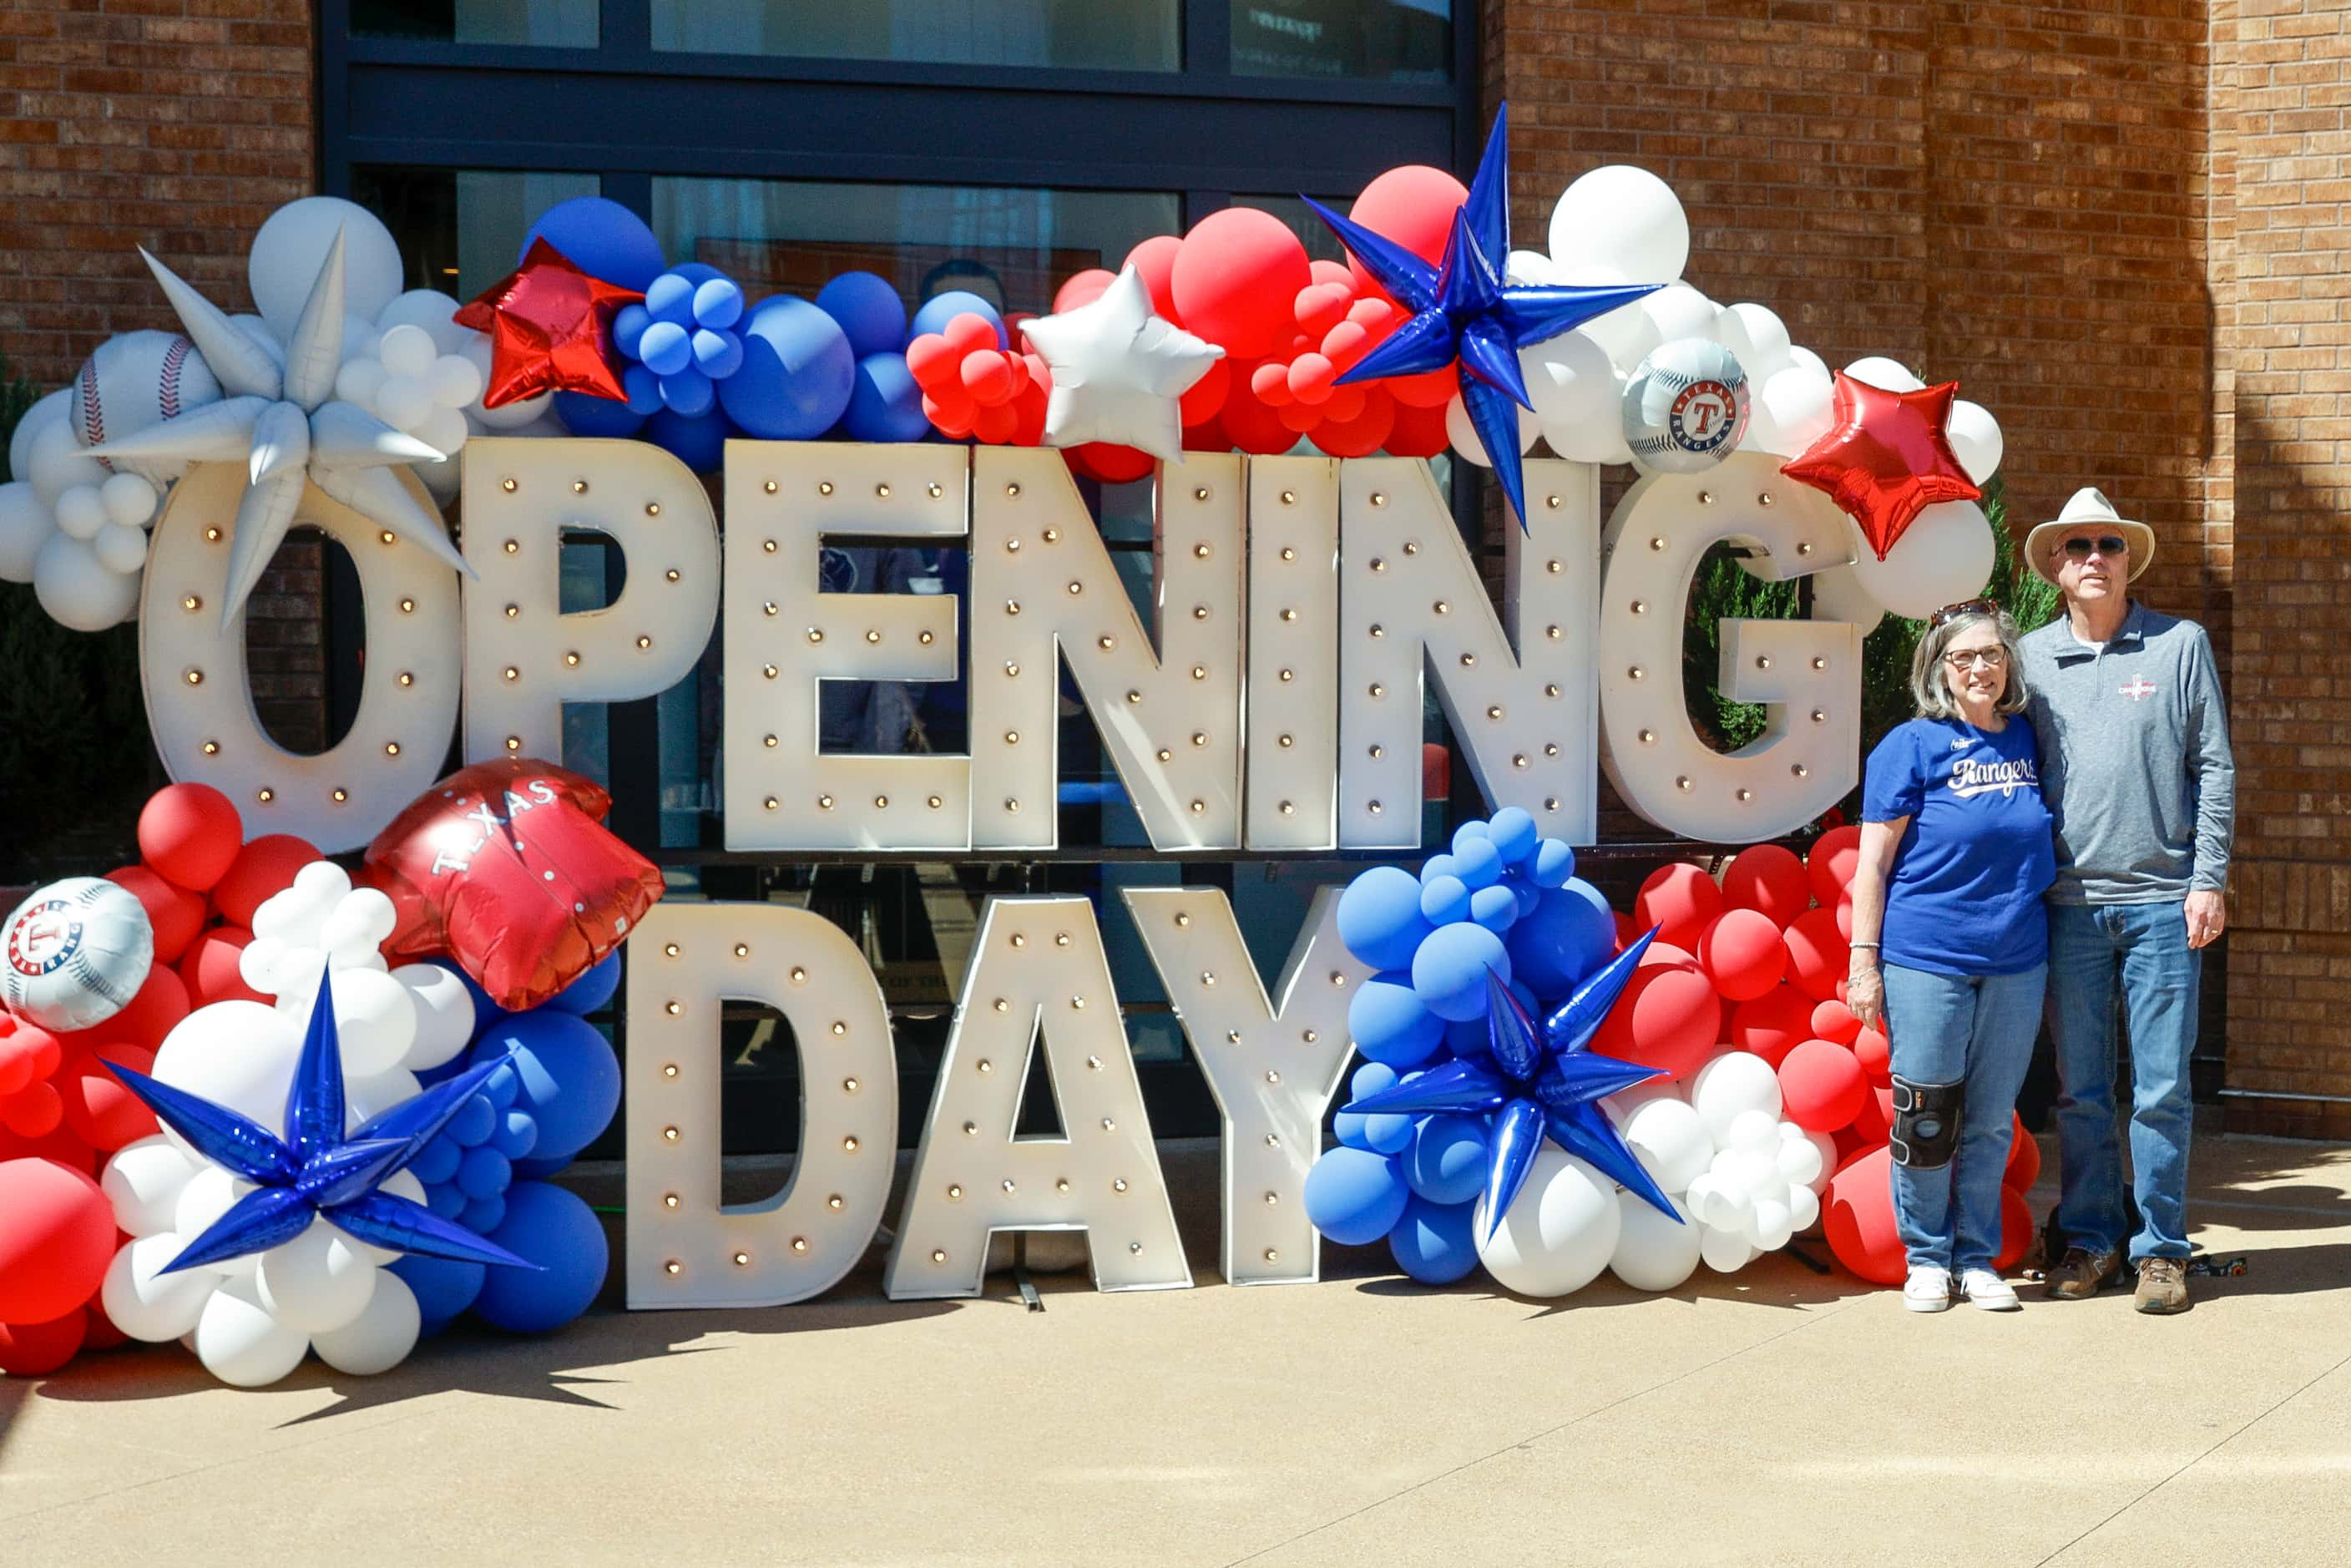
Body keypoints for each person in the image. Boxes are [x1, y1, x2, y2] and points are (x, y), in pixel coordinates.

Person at [2019, 488, 2234, 1314]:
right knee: (2077, 1091)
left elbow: (2210, 765)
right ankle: (2089, 1240)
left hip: (2160, 904)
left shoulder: (2179, 645)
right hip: (2067, 906)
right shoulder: (2030, 660)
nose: (2094, 558)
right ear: (2056, 568)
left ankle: (2160, 1251)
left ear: (2125, 560)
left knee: (2158, 1088)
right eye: (2078, 547)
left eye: (2108, 545)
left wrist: (2206, 877)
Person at [1848, 600, 2055, 1313]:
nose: (1979, 668)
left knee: (1994, 1117)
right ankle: (1927, 1257)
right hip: (1925, 956)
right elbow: (1872, 865)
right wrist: (1863, 963)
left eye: (1991, 655)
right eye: (1963, 657)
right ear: (1939, 667)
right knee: (1927, 1114)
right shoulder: (1909, 746)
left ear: (2008, 664)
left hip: (2017, 960)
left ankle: (1977, 1257)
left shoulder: (2026, 738)